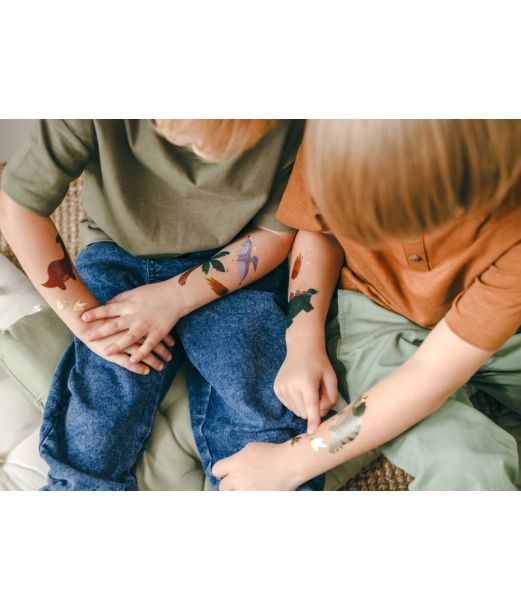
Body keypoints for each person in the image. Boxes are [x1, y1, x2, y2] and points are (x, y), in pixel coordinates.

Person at [0, 119, 324, 490]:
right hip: (119, 253)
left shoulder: (291, 123)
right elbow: (18, 209)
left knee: (257, 394)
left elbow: (274, 234)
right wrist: (89, 325)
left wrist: (176, 297)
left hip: (237, 258)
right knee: (101, 410)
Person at [212, 119, 521, 491]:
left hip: (504, 325)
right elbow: (317, 231)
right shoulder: (338, 136)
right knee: (467, 470)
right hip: (377, 313)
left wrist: (291, 461)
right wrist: (302, 338)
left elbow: (434, 371)